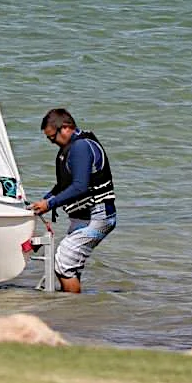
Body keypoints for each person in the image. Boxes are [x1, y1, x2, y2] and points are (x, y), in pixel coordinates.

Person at [29, 107, 115, 293]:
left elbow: (79, 186)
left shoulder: (81, 147)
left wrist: (49, 204)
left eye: (53, 137)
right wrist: (43, 201)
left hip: (98, 216)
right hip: (83, 217)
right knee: (70, 266)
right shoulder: (71, 148)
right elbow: (63, 186)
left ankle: (73, 306)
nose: (52, 142)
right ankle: (74, 307)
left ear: (66, 127)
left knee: (64, 262)